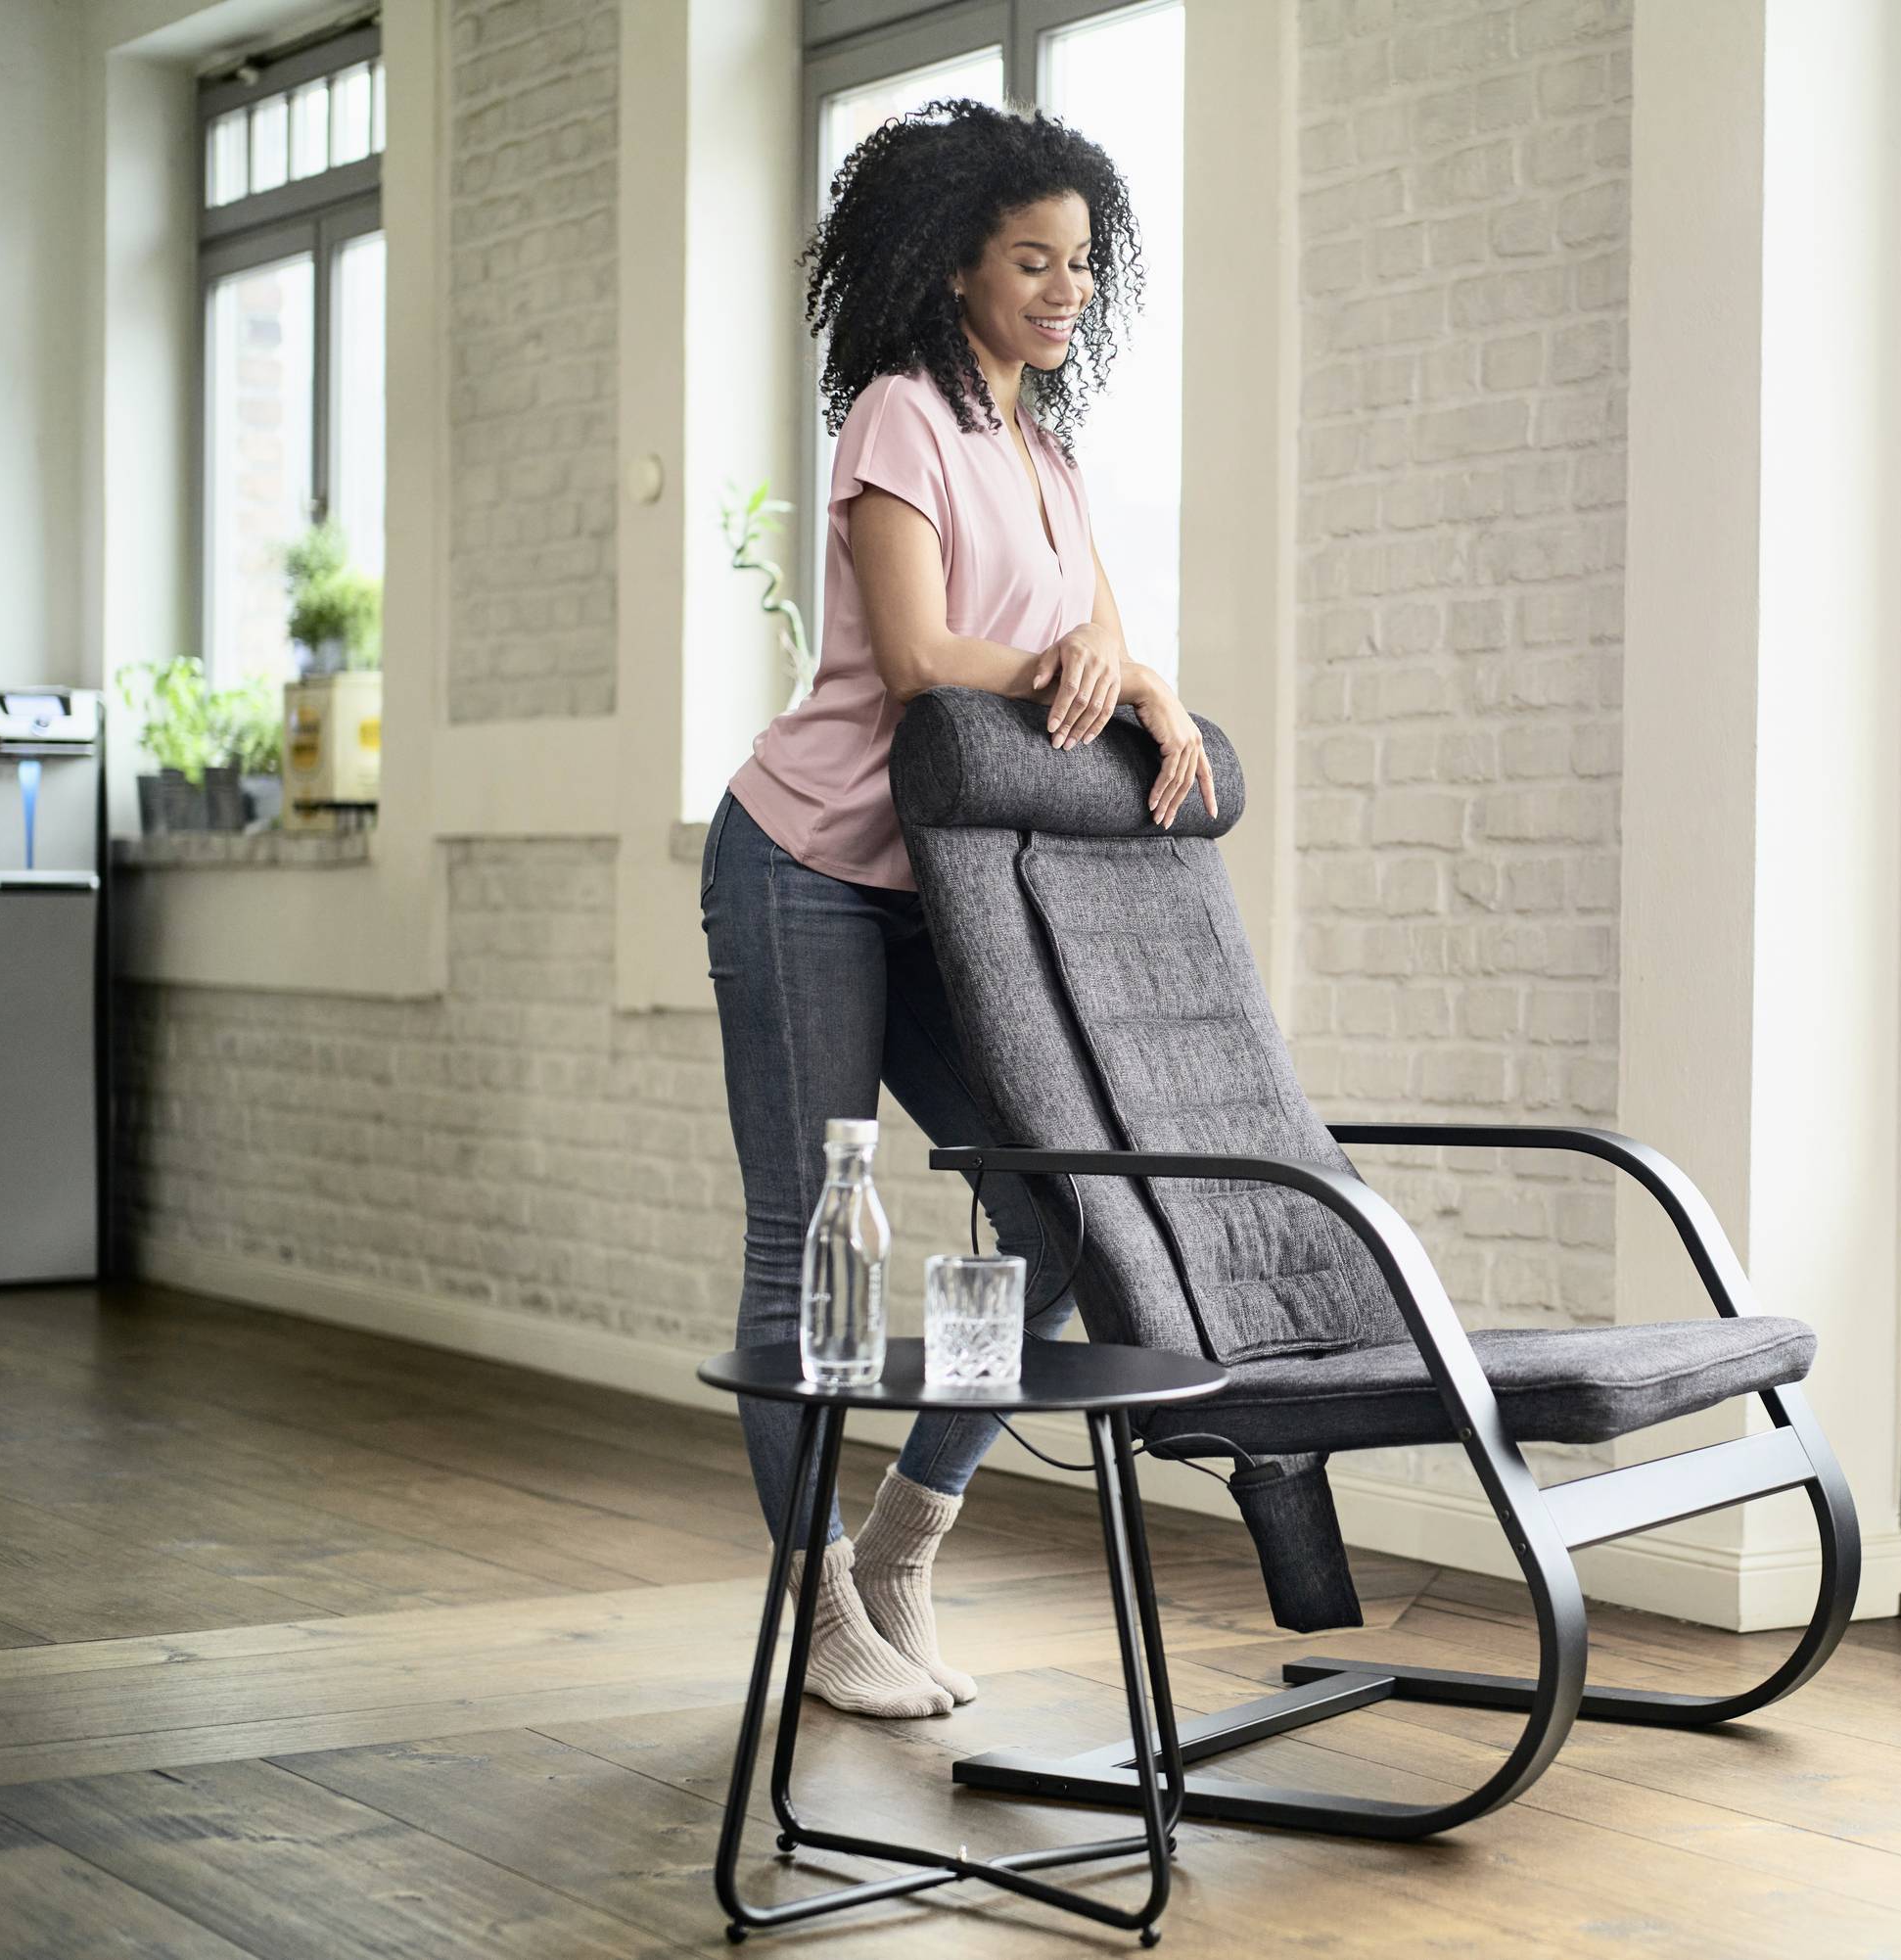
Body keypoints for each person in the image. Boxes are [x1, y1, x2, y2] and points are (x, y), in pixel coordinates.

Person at [699, 99, 1219, 1718]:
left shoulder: (1050, 459)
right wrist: (1082, 664)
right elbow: (922, 660)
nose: (1065, 289)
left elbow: (1104, 652)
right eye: (1032, 259)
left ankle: (905, 1541)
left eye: (1082, 263)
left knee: (1057, 1214)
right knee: (815, 1248)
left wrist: (1145, 686)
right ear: (956, 264)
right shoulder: (897, 424)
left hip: (938, 902)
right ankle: (812, 1609)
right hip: (803, 863)